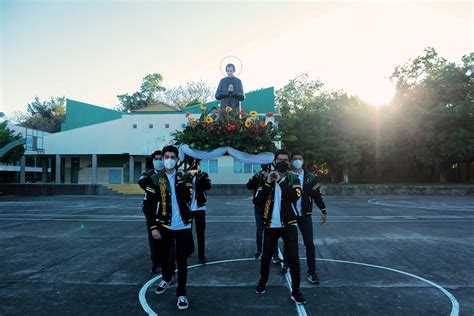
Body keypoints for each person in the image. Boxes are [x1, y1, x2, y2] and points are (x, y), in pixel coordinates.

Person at [142, 145, 194, 310]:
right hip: (164, 225)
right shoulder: (155, 179)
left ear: (177, 160)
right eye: (166, 157)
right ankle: (166, 277)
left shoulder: (184, 177)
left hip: (183, 226)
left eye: (172, 157)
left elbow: (188, 197)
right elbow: (148, 206)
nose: (169, 160)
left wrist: (179, 181)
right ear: (163, 158)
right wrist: (153, 227)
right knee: (164, 257)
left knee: (182, 260)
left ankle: (181, 293)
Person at [254, 149, 307, 305]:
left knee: (294, 258)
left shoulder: (293, 178)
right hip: (271, 225)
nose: (282, 162)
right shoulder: (266, 178)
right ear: (274, 162)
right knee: (266, 257)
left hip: (289, 224)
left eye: (285, 160)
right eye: (279, 160)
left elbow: (294, 196)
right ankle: (263, 281)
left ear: (289, 163)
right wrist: (267, 183)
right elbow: (257, 201)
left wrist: (280, 181)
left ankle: (296, 290)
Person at [286, 151, 327, 285]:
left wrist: (323, 210)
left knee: (309, 243)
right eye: (295, 159)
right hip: (290, 215)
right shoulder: (287, 176)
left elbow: (317, 195)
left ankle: (312, 272)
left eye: (300, 158)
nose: (298, 161)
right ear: (291, 162)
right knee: (289, 243)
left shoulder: (310, 177)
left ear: (303, 161)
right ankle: (286, 265)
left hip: (305, 215)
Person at [246, 164, 280, 262]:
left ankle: (275, 254)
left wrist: (273, 177)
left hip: (271, 208)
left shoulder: (274, 176)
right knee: (260, 230)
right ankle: (259, 250)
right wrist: (256, 176)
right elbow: (249, 186)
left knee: (273, 231)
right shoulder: (258, 177)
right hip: (259, 208)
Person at [138, 150, 164, 274]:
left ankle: (166, 263)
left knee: (166, 240)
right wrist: (154, 185)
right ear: (152, 160)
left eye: (160, 158)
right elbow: (141, 182)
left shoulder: (167, 173)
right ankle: (155, 263)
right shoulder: (148, 174)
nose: (158, 161)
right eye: (156, 159)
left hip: (165, 212)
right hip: (152, 212)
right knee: (153, 239)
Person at [188, 158, 212, 264]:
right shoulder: (185, 175)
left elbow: (208, 187)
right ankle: (189, 250)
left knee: (200, 233)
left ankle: (201, 256)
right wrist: (190, 175)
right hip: (187, 208)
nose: (196, 165)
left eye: (197, 163)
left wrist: (201, 176)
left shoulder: (203, 174)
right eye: (194, 163)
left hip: (199, 208)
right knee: (186, 232)